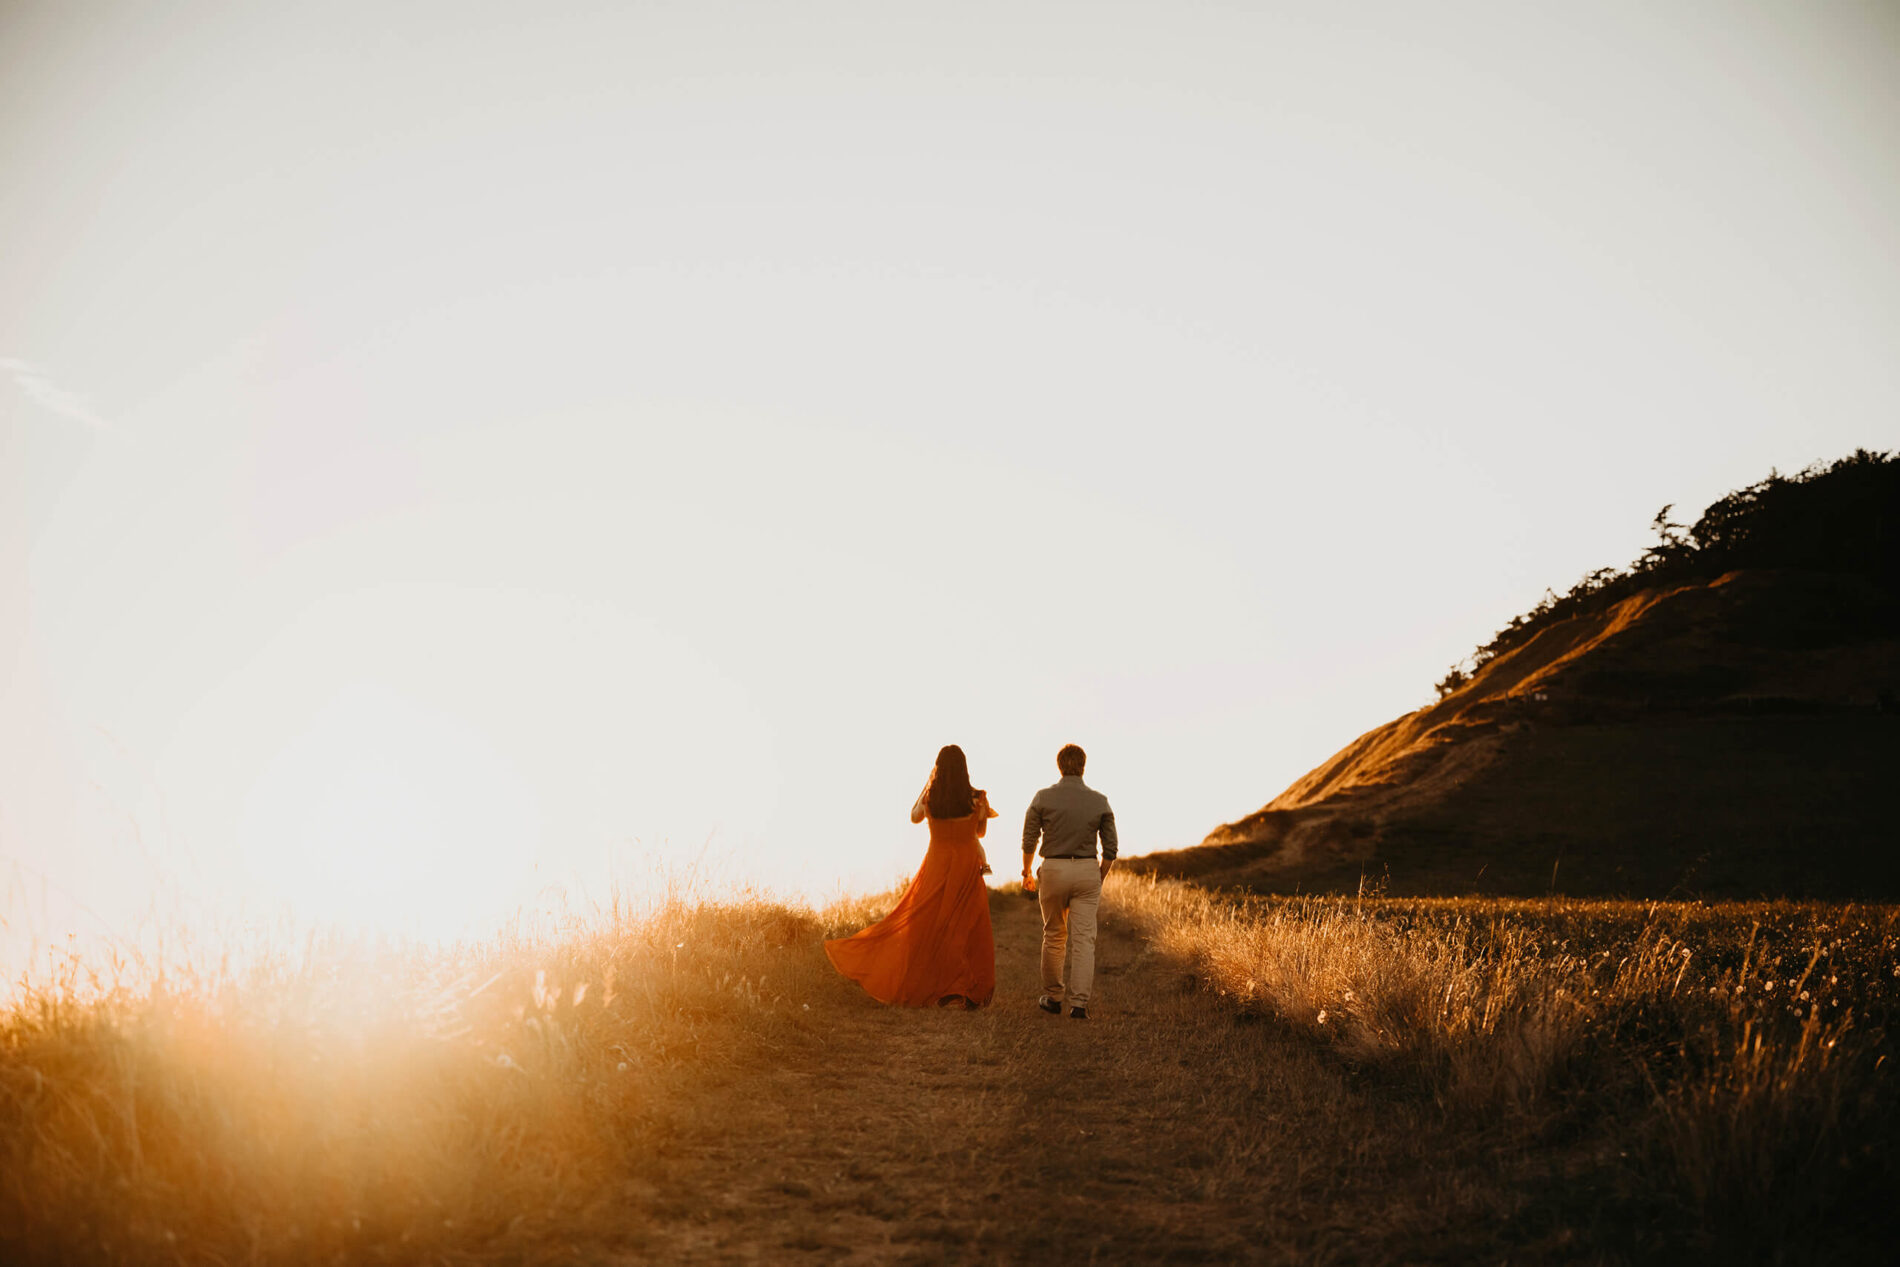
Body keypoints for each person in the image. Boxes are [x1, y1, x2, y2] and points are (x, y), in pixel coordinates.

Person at [825, 744, 999, 1009]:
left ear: (938, 769)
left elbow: (914, 817)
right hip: (966, 868)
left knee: (924, 923)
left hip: (936, 865)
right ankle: (963, 988)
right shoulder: (977, 798)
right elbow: (981, 833)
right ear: (964, 769)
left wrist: (927, 784)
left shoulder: (932, 797)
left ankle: (936, 986)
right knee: (966, 927)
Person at [1021, 743, 1117, 1020]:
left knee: (1053, 935)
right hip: (1087, 869)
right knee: (1084, 940)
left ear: (1059, 765)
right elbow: (1110, 849)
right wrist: (1099, 876)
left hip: (1053, 868)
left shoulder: (1042, 797)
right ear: (1084, 766)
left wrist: (1027, 872)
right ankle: (1079, 1005)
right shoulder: (1100, 801)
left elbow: (1029, 839)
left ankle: (1053, 998)